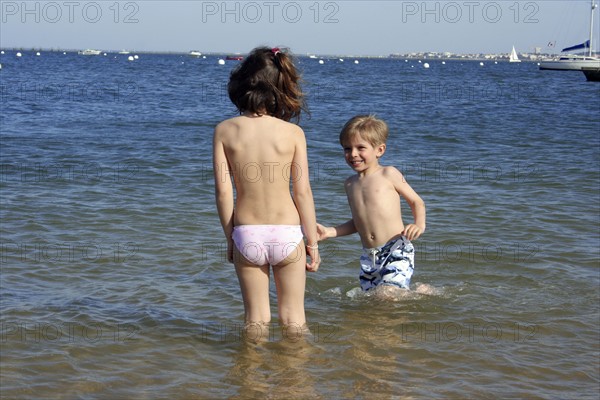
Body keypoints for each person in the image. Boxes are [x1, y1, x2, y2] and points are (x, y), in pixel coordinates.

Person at [213, 46, 320, 341]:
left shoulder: (224, 130)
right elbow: (303, 192)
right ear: (281, 86)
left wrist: (230, 237)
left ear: (242, 82)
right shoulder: (293, 133)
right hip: (287, 232)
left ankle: (250, 383)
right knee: (294, 319)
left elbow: (224, 193)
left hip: (247, 232)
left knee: (256, 320)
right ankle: (297, 383)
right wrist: (312, 241)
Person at [317, 115, 426, 295]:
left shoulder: (388, 174)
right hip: (369, 256)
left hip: (395, 248)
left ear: (379, 150)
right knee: (372, 299)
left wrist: (418, 224)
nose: (353, 154)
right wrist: (330, 231)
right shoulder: (350, 184)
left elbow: (417, 202)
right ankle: (420, 292)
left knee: (387, 296)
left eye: (361, 148)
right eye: (347, 148)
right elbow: (359, 222)